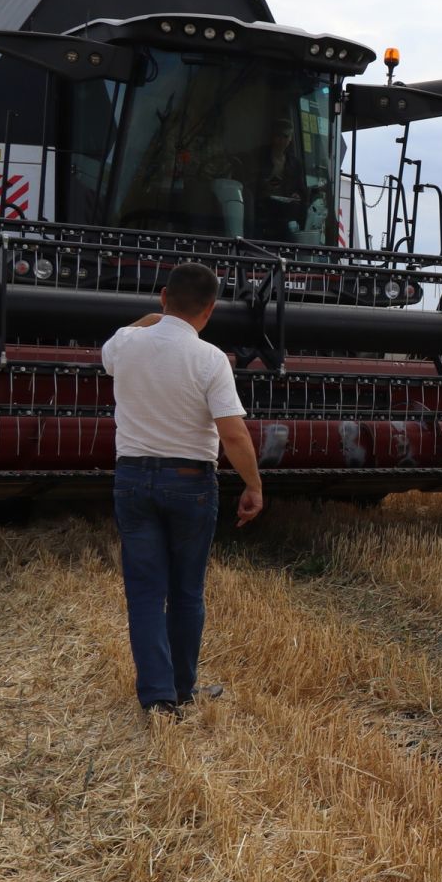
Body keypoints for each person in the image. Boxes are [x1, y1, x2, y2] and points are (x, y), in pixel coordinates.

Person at [101, 262, 265, 720]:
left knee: (146, 592)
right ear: (210, 310)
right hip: (191, 483)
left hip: (132, 480)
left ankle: (157, 698)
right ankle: (184, 688)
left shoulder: (126, 344)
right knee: (187, 591)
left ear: (162, 297)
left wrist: (149, 320)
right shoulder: (210, 359)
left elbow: (111, 348)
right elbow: (233, 435)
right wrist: (253, 485)